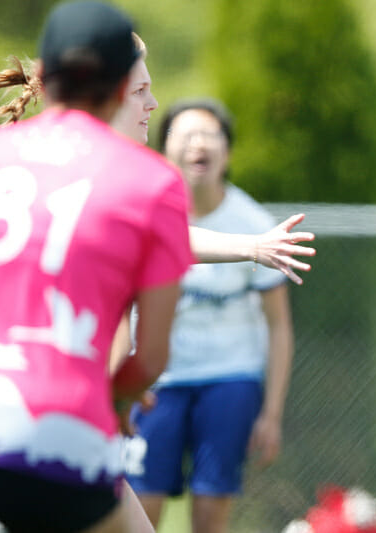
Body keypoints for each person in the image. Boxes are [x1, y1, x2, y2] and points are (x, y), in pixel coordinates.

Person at [0, 2, 193, 532]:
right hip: (58, 431)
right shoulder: (149, 181)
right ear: (118, 84)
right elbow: (149, 359)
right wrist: (116, 400)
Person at [0, 43, 316, 285]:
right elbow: (158, 237)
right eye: (140, 91)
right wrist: (253, 246)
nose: (153, 104)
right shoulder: (89, 176)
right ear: (104, 96)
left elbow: (161, 234)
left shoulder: (42, 155)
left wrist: (255, 246)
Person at [124, 98, 295, 532]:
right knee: (139, 511)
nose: (199, 145)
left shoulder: (254, 223)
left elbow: (278, 327)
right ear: (164, 150)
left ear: (228, 152)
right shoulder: (144, 215)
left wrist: (271, 414)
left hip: (228, 382)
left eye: (210, 135)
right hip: (154, 385)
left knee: (210, 515)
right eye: (187, 135)